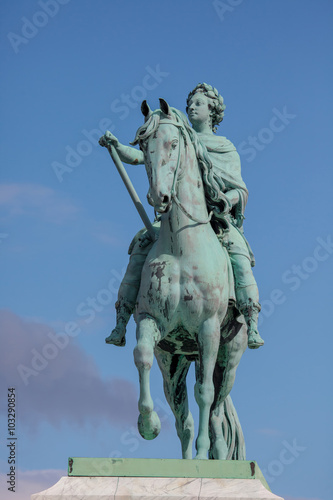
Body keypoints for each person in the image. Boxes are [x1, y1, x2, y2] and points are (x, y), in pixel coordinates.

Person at [99, 83, 264, 349]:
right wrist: (116, 146)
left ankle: (252, 320)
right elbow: (143, 157)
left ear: (212, 110)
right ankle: (121, 321)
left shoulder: (224, 147)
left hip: (215, 219)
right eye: (190, 103)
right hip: (172, 216)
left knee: (239, 251)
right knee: (140, 245)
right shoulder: (176, 138)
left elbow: (240, 190)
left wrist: (225, 201)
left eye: (198, 103)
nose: (191, 106)